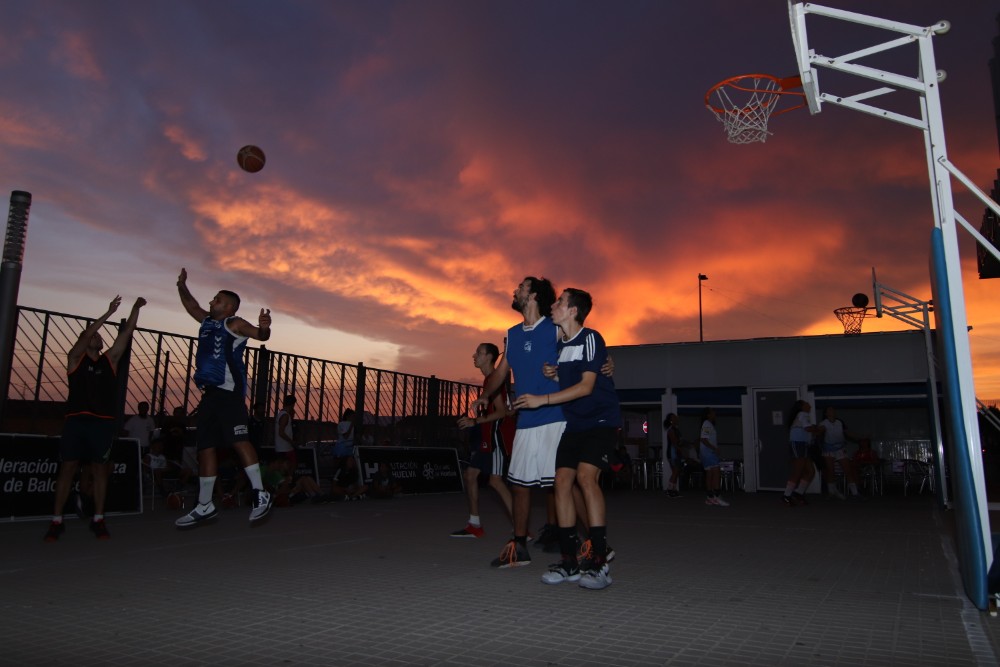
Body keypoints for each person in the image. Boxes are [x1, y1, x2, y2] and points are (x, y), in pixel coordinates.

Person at [514, 287, 620, 590]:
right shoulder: (561, 344)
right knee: (561, 482)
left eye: (560, 301)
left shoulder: (591, 338)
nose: (554, 304)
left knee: (586, 478)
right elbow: (573, 378)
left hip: (600, 422)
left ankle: (599, 563)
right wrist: (555, 375)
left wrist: (542, 398)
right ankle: (569, 561)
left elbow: (587, 387)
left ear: (572, 311)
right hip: (575, 425)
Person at [473, 277, 565, 569]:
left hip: (556, 418)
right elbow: (501, 373)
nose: (515, 290)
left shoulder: (555, 328)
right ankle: (520, 545)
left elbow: (578, 357)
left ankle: (586, 544)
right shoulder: (512, 334)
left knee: (565, 484)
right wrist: (485, 396)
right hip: (526, 421)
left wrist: (603, 362)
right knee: (520, 485)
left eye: (521, 287)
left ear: (534, 295)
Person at [173, 268, 274, 528]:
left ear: (229, 307)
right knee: (205, 447)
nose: (211, 302)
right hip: (210, 396)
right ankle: (205, 504)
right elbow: (191, 305)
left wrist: (264, 329)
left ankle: (260, 493)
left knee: (239, 440)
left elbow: (259, 335)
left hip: (229, 394)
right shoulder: (207, 322)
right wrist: (181, 285)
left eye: (216, 299)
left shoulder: (234, 324)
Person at [44, 295, 146, 542]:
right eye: (94, 336)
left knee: (100, 470)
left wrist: (134, 309)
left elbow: (127, 333)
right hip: (76, 421)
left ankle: (98, 519)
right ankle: (56, 521)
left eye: (100, 337)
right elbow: (84, 337)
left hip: (102, 422)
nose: (98, 338)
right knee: (68, 469)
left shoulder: (109, 361)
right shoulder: (75, 360)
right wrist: (108, 314)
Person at [451, 343, 515, 538]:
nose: (474, 355)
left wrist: (474, 421)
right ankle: (475, 524)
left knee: (494, 481)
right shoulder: (490, 380)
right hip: (489, 438)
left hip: (496, 439)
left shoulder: (493, 381)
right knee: (475, 477)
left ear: (489, 357)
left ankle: (520, 527)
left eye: (478, 352)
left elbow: (502, 412)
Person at [817, 406, 863, 499]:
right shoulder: (824, 423)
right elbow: (819, 431)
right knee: (831, 471)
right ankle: (831, 492)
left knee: (848, 470)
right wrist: (816, 432)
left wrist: (859, 436)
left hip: (840, 449)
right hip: (828, 449)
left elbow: (847, 432)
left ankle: (855, 493)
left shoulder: (840, 422)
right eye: (830, 409)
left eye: (833, 409)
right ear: (826, 414)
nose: (832, 411)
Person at [783, 400, 820, 506]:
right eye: (807, 404)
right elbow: (808, 428)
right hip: (798, 444)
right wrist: (818, 428)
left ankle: (798, 493)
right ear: (802, 406)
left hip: (804, 445)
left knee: (810, 471)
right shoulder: (802, 414)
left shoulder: (804, 415)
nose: (809, 405)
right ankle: (786, 495)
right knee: (798, 471)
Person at [699, 407, 728, 506]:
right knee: (716, 472)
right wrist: (714, 448)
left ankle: (710, 497)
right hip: (708, 452)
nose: (715, 414)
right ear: (708, 415)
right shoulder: (707, 424)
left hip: (706, 452)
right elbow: (703, 439)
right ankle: (716, 495)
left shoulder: (708, 424)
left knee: (710, 474)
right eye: (713, 413)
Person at [274, 395, 297, 473]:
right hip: (284, 448)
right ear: (293, 404)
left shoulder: (282, 414)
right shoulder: (285, 416)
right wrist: (291, 442)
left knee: (287, 466)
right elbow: (281, 432)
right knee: (288, 467)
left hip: (284, 447)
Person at [663, 413, 683, 498]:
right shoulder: (671, 430)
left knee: (676, 472)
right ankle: (669, 490)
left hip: (676, 453)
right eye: (674, 417)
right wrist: (680, 449)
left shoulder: (676, 429)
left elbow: (679, 441)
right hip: (672, 453)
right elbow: (674, 443)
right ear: (671, 421)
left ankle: (673, 490)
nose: (676, 418)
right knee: (675, 471)